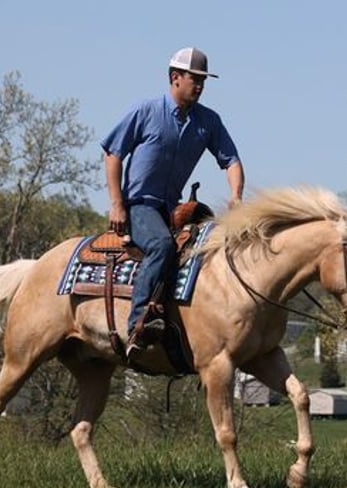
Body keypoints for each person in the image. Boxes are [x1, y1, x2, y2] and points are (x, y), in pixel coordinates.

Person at [101, 46, 244, 359]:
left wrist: (235, 196)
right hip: (140, 205)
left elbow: (231, 160)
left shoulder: (208, 121)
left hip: (172, 208)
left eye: (203, 79)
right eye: (194, 78)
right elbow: (113, 154)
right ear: (174, 77)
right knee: (162, 246)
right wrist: (116, 204)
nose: (200, 85)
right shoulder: (146, 111)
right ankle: (138, 322)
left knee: (207, 250)